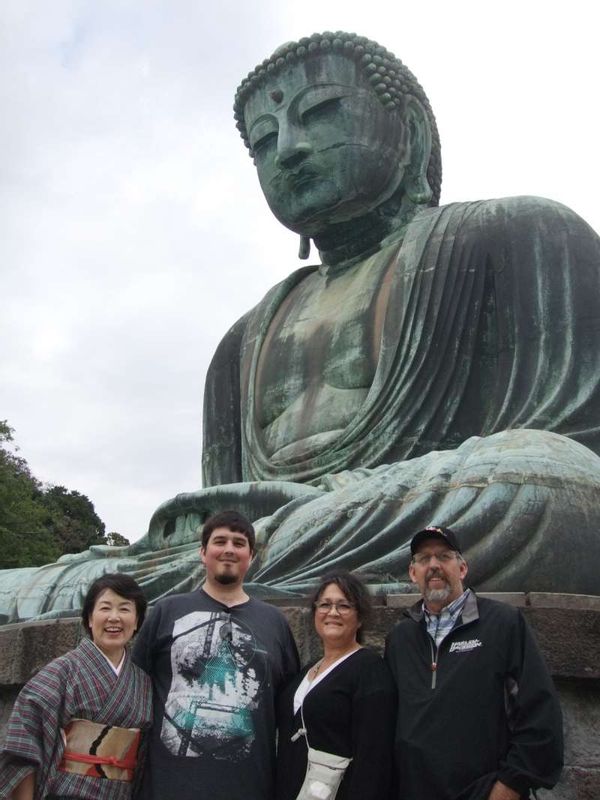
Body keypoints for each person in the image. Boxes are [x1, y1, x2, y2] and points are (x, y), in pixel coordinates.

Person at [3, 30, 600, 623]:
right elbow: (223, 520)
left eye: (321, 112)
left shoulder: (522, 234)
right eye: (264, 142)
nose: (288, 149)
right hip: (280, 542)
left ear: (412, 133)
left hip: (427, 513)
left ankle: (143, 589)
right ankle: (143, 583)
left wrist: (321, 505)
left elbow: (575, 453)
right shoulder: (241, 343)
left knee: (549, 486)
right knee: (34, 583)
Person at [384, 525, 563, 800]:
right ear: (412, 573)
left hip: (482, 791)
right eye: (423, 559)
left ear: (462, 568)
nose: (433, 565)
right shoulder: (400, 637)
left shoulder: (503, 623)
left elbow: (540, 711)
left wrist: (511, 785)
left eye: (444, 557)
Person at [131, 509, 300, 800]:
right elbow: (133, 690)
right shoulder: (167, 611)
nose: (229, 550)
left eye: (239, 543)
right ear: (202, 552)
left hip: (250, 786)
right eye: (220, 541)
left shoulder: (275, 622)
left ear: (252, 555)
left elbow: (289, 706)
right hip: (169, 786)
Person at [0, 573, 152, 800]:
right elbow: (23, 746)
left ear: (137, 620)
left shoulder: (143, 682)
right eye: (105, 608)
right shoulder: (61, 672)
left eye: (124, 609)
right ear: (90, 618)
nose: (114, 617)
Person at [275, 571, 395, 800]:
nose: (332, 612)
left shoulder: (370, 671)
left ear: (359, 618)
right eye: (325, 605)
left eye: (344, 606)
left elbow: (374, 759)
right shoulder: (306, 672)